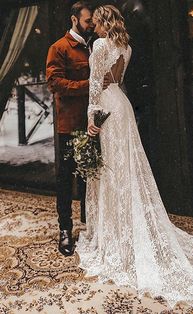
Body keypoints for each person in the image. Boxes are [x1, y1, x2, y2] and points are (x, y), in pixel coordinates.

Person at [75, 5, 193, 309]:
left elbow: (95, 86)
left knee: (111, 169)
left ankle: (116, 235)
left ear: (105, 24)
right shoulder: (127, 47)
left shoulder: (99, 45)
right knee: (126, 169)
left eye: (95, 23)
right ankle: (126, 226)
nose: (92, 28)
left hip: (107, 109)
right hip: (123, 107)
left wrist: (91, 120)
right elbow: (116, 81)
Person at [46, 1, 94, 256]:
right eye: (88, 21)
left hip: (91, 124)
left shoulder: (93, 45)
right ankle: (65, 230)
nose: (91, 26)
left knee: (90, 178)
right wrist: (90, 85)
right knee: (66, 180)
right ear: (75, 20)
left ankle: (90, 227)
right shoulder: (59, 47)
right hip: (68, 126)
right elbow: (55, 83)